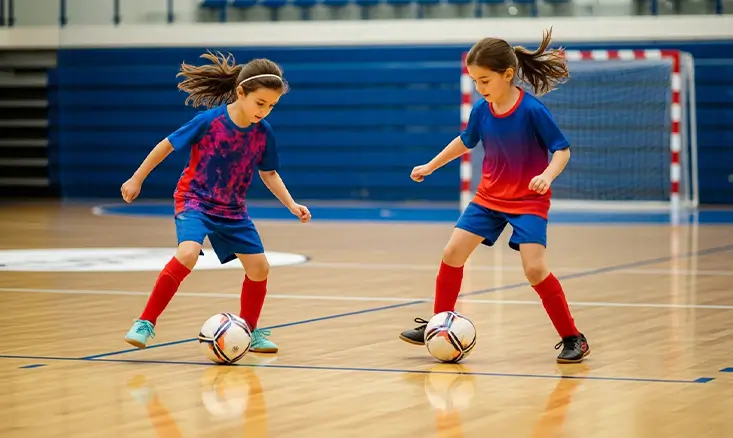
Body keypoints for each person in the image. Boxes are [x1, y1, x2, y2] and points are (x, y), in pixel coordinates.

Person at [398, 28, 590, 363]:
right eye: (475, 81)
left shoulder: (532, 110)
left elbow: (562, 150)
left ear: (508, 74)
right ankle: (439, 321)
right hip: (488, 198)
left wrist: (546, 176)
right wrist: (430, 165)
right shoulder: (482, 110)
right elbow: (465, 141)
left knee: (534, 270)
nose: (479, 87)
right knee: (452, 252)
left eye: (484, 80)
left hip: (528, 201)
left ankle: (573, 337)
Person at [120, 51, 311, 354]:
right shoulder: (209, 121)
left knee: (259, 268)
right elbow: (166, 146)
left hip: (232, 209)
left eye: (271, 106)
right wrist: (136, 178)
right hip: (195, 200)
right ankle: (145, 322)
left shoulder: (263, 133)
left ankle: (249, 330)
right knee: (187, 254)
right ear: (241, 92)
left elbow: (269, 173)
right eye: (260, 103)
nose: (265, 111)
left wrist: (291, 204)